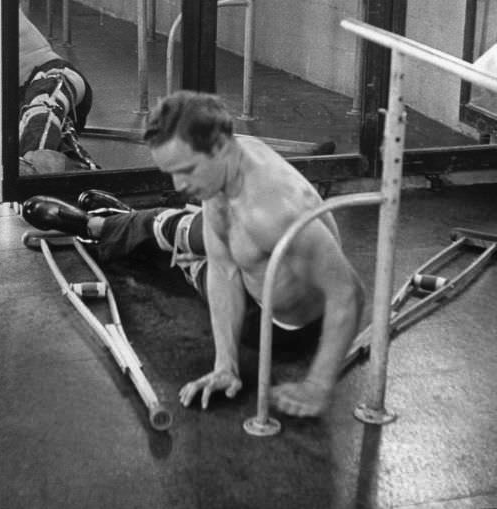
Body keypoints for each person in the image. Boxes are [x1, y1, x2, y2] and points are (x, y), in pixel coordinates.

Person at [22, 90, 364, 418]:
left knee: (187, 256)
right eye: (171, 172)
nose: (177, 184)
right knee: (193, 233)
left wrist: (318, 385)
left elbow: (349, 294)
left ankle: (104, 225)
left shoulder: (275, 212)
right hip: (254, 266)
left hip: (274, 327)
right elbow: (223, 267)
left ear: (218, 147)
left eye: (185, 171)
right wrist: (224, 367)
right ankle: (107, 224)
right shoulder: (225, 163)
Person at [18, 8, 99, 175]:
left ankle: (36, 171)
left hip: (48, 73)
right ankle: (78, 170)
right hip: (18, 104)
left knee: (43, 107)